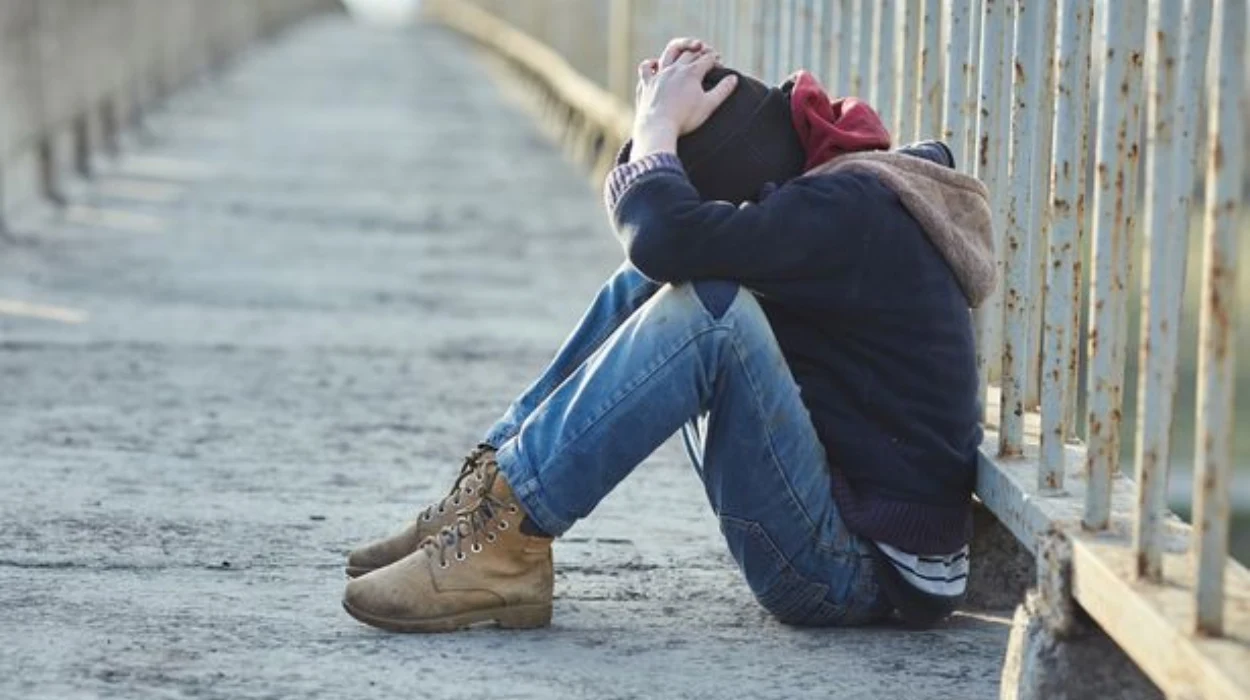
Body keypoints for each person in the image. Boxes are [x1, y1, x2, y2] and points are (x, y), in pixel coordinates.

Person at [341, 38, 995, 633]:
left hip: (855, 574)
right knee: (657, 284)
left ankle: (509, 538)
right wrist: (657, 136)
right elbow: (663, 250)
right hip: (839, 518)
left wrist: (657, 128)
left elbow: (663, 236)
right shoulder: (841, 191)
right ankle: (489, 502)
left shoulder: (848, 209)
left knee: (711, 312)